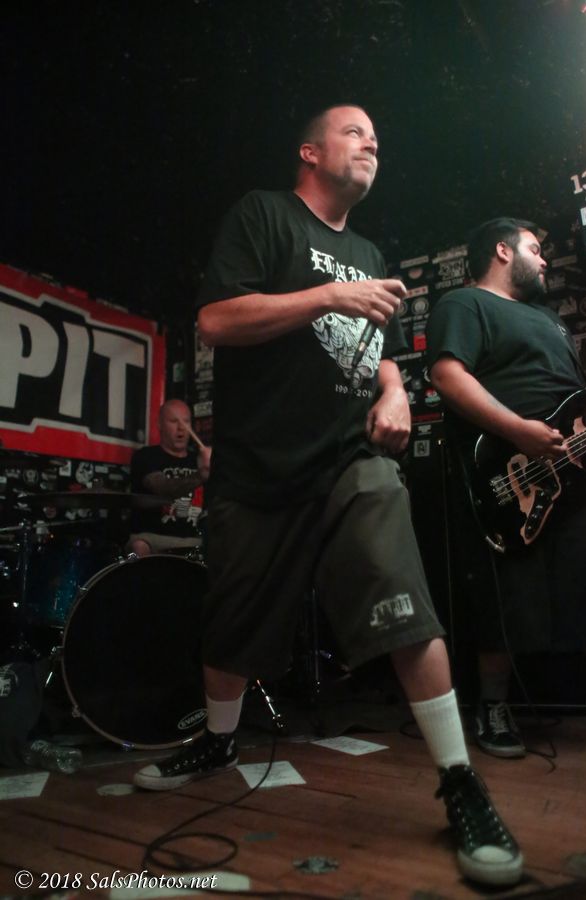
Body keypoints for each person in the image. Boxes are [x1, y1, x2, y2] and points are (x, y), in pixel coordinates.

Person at [134, 107, 523, 887]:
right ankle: (218, 740)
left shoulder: (369, 254)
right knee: (232, 621)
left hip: (347, 459)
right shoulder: (264, 215)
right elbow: (215, 320)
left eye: (377, 135)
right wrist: (324, 297)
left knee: (400, 592)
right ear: (310, 152)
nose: (372, 140)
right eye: (354, 132)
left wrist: (396, 393)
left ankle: (459, 780)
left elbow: (381, 355)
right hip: (255, 470)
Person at [426, 217, 586, 758]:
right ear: (502, 251)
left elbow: (579, 399)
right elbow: (447, 376)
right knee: (505, 597)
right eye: (535, 249)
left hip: (576, 471)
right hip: (508, 470)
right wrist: (518, 432)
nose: (544, 259)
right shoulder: (465, 304)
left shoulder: (550, 320)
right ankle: (493, 706)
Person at [127, 398, 211, 557]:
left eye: (186, 422)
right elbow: (163, 488)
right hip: (152, 539)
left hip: (194, 540)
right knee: (139, 546)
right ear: (159, 424)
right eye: (174, 421)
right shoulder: (145, 456)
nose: (181, 428)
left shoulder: (199, 460)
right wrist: (201, 475)